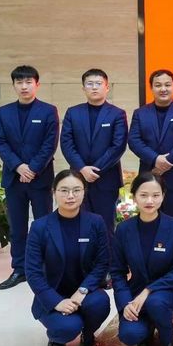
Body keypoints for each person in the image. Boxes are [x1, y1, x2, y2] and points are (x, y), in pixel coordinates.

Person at [24, 169, 111, 346]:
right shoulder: (40, 227)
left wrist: (83, 290)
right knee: (66, 328)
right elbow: (32, 272)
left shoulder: (96, 222)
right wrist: (56, 301)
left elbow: (102, 262)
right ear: (54, 192)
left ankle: (88, 335)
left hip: (85, 291)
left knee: (100, 303)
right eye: (64, 190)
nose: (70, 196)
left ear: (84, 192)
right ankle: (56, 337)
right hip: (53, 292)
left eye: (76, 190)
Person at [111, 172, 173, 346]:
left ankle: (168, 340)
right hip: (136, 292)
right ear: (134, 197)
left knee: (156, 302)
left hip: (172, 291)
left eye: (155, 195)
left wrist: (148, 290)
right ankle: (151, 324)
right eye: (143, 195)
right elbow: (117, 272)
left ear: (163, 196)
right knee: (130, 335)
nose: (149, 201)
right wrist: (125, 304)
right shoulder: (124, 229)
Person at [0, 65, 59, 290]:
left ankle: (45, 269)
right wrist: (19, 167)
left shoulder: (48, 111)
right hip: (14, 179)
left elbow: (50, 144)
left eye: (28, 82)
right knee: (17, 227)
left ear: (37, 84)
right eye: (19, 82)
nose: (24, 86)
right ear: (13, 85)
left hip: (40, 178)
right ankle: (20, 269)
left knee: (43, 225)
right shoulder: (4, 112)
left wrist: (32, 168)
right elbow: (0, 142)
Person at [60, 68, 128, 234]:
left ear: (107, 87)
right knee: (78, 225)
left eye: (98, 83)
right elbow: (67, 144)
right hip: (78, 178)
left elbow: (118, 146)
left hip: (106, 179)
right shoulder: (73, 112)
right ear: (83, 88)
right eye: (90, 84)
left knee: (105, 227)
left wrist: (95, 170)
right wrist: (82, 169)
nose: (94, 87)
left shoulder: (117, 114)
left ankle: (106, 253)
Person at [128, 69, 173, 225]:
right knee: (148, 224)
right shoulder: (140, 113)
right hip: (149, 177)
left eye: (167, 85)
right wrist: (155, 159)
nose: (163, 89)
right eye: (158, 85)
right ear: (151, 88)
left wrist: (166, 161)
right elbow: (133, 140)